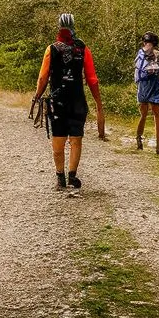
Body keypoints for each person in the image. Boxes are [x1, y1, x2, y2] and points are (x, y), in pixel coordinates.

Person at [32, 12, 106, 191]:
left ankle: (60, 178)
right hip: (77, 99)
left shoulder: (52, 49)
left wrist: (37, 96)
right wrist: (98, 102)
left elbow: (43, 77)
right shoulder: (83, 48)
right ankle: (72, 176)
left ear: (59, 27)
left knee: (58, 140)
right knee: (75, 139)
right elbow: (92, 78)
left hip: (58, 101)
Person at [134, 32, 159, 154]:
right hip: (145, 86)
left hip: (153, 86)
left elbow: (158, 69)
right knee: (145, 114)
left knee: (156, 114)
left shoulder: (157, 54)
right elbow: (140, 71)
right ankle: (139, 138)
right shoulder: (141, 55)